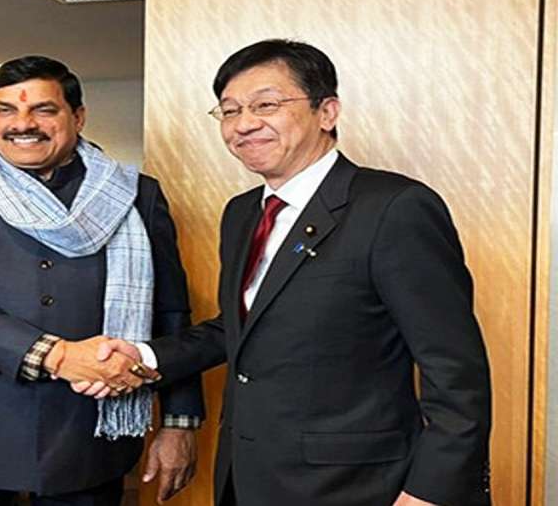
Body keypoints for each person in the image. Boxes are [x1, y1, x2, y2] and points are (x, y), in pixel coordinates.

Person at [81, 40, 492, 506]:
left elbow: (455, 370)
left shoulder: (394, 207)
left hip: (356, 486)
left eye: (266, 105)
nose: (243, 124)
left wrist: (431, 491)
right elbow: (241, 327)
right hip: (247, 477)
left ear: (327, 112)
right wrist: (143, 355)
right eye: (230, 111)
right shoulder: (242, 213)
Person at [0, 55, 204, 506]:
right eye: (6, 110)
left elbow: (169, 310)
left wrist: (178, 421)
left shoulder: (135, 193)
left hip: (86, 430)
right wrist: (55, 355)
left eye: (43, 109)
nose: (23, 124)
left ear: (78, 116)